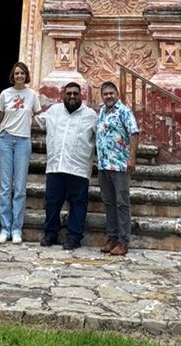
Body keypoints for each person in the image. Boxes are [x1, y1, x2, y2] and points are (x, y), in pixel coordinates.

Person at [37, 80, 96, 250]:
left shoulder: (91, 115)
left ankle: (74, 237)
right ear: (63, 95)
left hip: (79, 168)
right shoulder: (53, 111)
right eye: (69, 93)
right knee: (52, 203)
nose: (72, 97)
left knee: (78, 204)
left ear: (81, 96)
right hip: (56, 165)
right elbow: (35, 120)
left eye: (75, 94)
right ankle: (50, 234)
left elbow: (102, 135)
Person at [0, 60, 43, 244]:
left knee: (20, 187)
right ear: (12, 76)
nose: (19, 76)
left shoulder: (32, 95)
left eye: (22, 73)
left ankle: (17, 229)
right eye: (16, 74)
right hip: (5, 140)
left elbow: (39, 116)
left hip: (23, 141)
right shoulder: (5, 94)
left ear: (27, 75)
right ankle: (5, 228)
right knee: (5, 187)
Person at [95, 79, 140, 257]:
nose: (108, 96)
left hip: (119, 164)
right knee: (108, 203)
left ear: (117, 94)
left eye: (111, 93)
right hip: (104, 165)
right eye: (105, 94)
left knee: (122, 203)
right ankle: (112, 237)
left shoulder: (124, 111)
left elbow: (134, 133)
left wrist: (132, 158)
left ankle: (123, 241)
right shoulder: (102, 112)